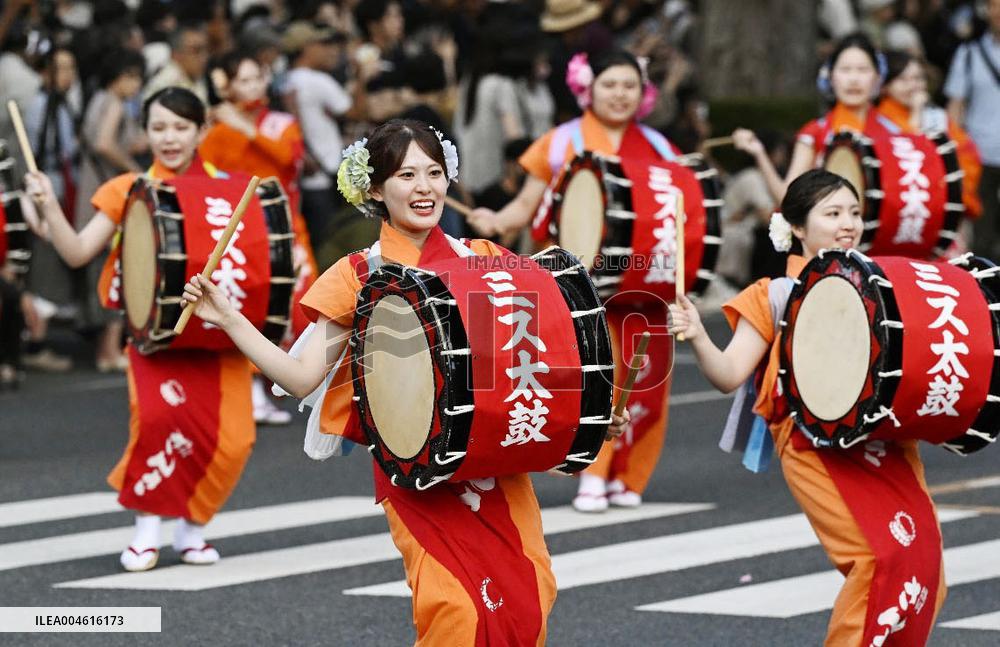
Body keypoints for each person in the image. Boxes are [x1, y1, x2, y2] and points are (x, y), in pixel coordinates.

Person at [180, 118, 629, 644]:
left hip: (497, 468)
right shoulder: (357, 273)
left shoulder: (485, 260)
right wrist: (231, 319)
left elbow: (539, 355)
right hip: (416, 477)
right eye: (407, 175)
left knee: (529, 602)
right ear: (375, 188)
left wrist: (586, 418)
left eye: (434, 173)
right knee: (456, 611)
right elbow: (302, 379)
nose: (424, 188)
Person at [668, 169, 946, 646]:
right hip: (814, 447)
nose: (848, 224)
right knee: (877, 560)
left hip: (884, 442)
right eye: (833, 213)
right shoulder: (775, 294)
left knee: (924, 562)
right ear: (796, 227)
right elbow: (729, 375)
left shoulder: (883, 285)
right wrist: (697, 334)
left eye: (854, 213)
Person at [23, 87, 257, 572]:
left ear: (201, 131)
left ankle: (193, 527)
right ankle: (147, 529)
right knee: (156, 427)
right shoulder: (127, 188)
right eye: (158, 127)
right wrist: (48, 207)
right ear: (144, 131)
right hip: (155, 338)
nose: (169, 138)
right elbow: (76, 252)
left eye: (180, 127)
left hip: (218, 338)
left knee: (234, 440)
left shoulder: (234, 191)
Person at [468, 48, 679, 513]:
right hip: (579, 285)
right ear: (587, 86)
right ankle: (592, 471)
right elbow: (526, 205)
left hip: (643, 284)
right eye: (610, 84)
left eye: (630, 85)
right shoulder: (560, 141)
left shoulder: (662, 149)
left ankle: (629, 473)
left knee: (647, 380)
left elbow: (682, 214)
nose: (620, 94)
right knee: (592, 375)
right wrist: (497, 219)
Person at [200, 49, 315, 426]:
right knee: (248, 302)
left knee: (305, 303)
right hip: (240, 233)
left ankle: (311, 379)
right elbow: (203, 175)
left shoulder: (282, 123)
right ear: (227, 86)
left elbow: (291, 161)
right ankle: (248, 388)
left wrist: (245, 128)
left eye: (257, 78)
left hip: (286, 227)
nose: (252, 87)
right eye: (243, 80)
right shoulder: (216, 128)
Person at [733, 33, 891, 204]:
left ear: (877, 78)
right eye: (845, 70)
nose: (853, 79)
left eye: (863, 70)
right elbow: (788, 198)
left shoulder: (895, 132)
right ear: (830, 76)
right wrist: (759, 153)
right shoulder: (814, 132)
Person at [74, 48, 147, 373]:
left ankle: (106, 348)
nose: (136, 84)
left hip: (92, 187)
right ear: (121, 75)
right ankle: (109, 350)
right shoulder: (114, 103)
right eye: (133, 77)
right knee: (115, 268)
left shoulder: (97, 99)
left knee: (104, 268)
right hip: (109, 191)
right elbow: (105, 143)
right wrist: (135, 171)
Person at [878, 49, 982, 222]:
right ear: (885, 85)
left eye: (918, 78)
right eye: (903, 79)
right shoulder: (878, 118)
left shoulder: (937, 116)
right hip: (896, 210)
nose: (913, 86)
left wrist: (953, 191)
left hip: (942, 206)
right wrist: (917, 113)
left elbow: (967, 153)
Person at [944, 0, 1000, 258]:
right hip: (980, 156)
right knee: (982, 236)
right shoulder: (968, 54)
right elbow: (955, 108)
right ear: (986, 11)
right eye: (995, 6)